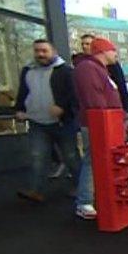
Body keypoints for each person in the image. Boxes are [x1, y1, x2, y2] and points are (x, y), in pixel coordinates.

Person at [14, 39, 81, 203]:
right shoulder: (28, 71)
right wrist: (20, 109)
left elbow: (74, 94)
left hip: (62, 122)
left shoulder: (65, 71)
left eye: (44, 51)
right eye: (37, 51)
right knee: (38, 156)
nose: (40, 54)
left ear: (54, 52)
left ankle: (82, 188)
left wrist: (62, 107)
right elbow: (23, 91)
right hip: (37, 122)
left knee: (71, 156)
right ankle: (36, 190)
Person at [72, 37, 123, 219]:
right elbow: (94, 99)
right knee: (93, 160)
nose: (115, 54)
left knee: (100, 161)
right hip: (98, 124)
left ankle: (99, 199)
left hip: (106, 123)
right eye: (113, 50)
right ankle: (84, 201)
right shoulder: (88, 69)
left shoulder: (99, 70)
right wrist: (105, 118)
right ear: (103, 51)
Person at [80, 33, 128, 112]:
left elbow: (121, 85)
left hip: (112, 115)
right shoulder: (86, 68)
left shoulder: (111, 66)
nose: (84, 47)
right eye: (83, 44)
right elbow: (95, 99)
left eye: (88, 44)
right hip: (104, 117)